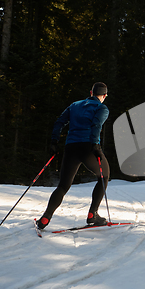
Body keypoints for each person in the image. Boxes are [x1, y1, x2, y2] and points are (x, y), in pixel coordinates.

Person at [36, 82, 110, 229]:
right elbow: (96, 125)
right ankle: (92, 215)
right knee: (104, 176)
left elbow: (59, 122)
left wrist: (54, 142)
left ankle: (45, 218)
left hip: (71, 147)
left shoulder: (75, 105)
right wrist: (95, 144)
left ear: (91, 92)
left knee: (63, 185)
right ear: (105, 96)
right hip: (89, 147)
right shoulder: (102, 108)